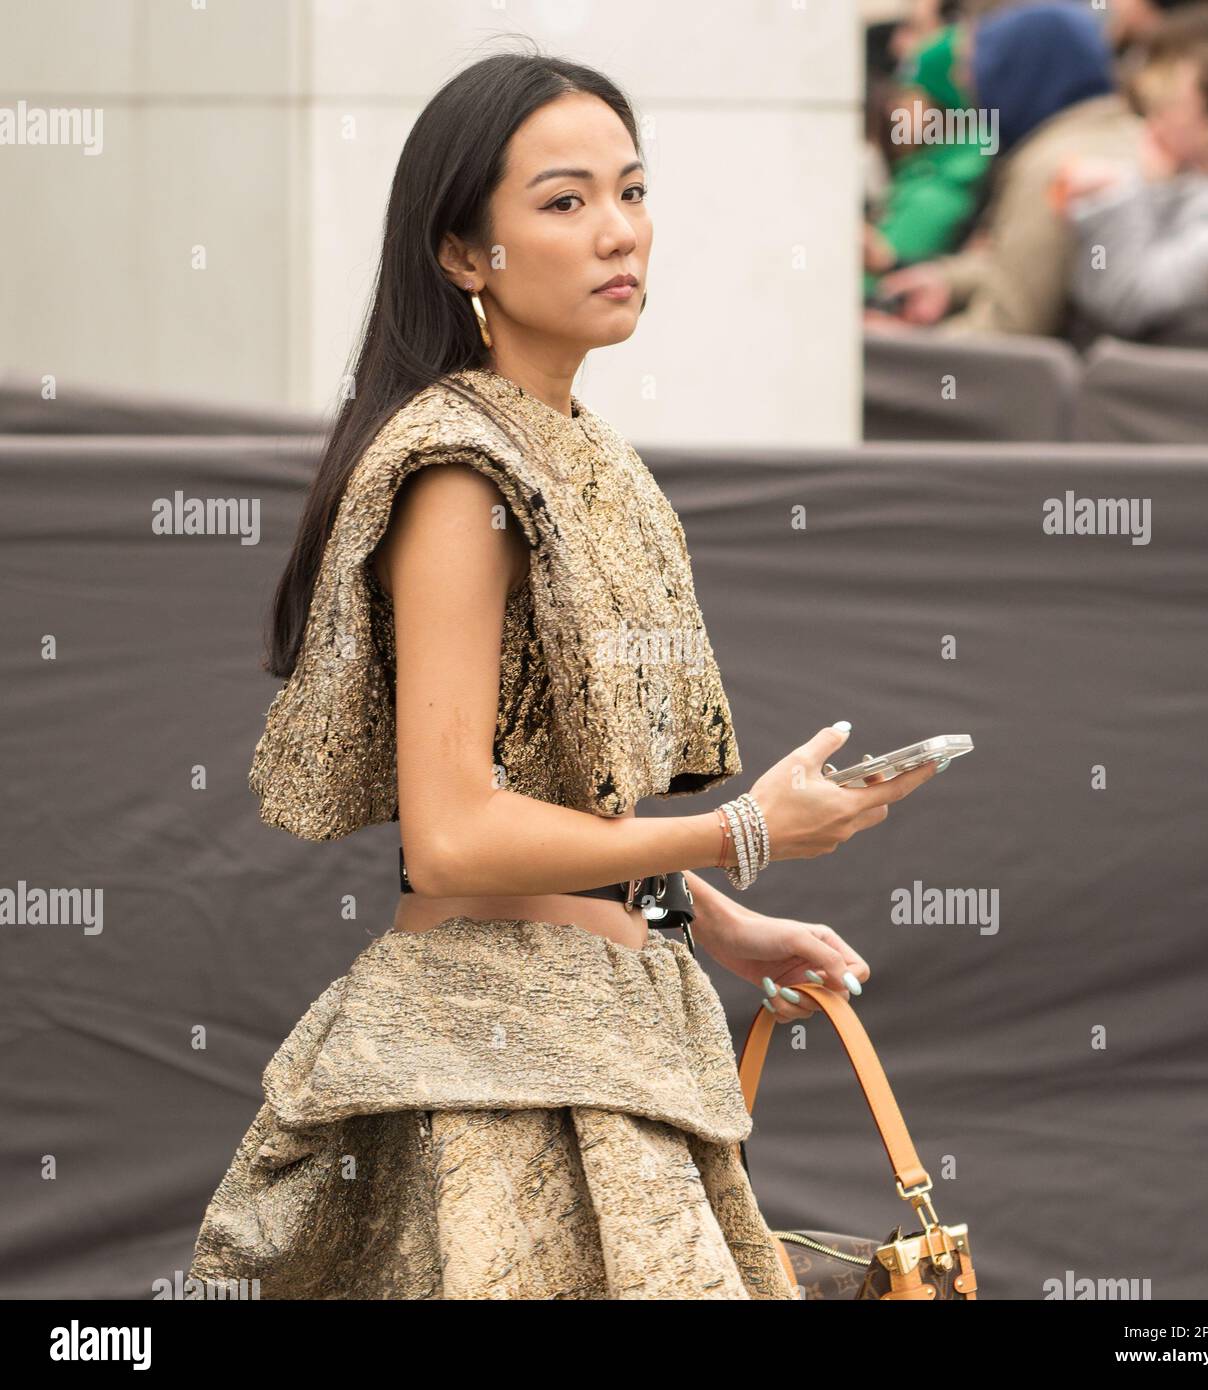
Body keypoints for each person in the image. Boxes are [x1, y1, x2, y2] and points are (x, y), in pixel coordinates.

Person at [185, 50, 944, 1300]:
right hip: (498, 1077)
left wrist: (717, 918)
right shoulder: (458, 471)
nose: (618, 232)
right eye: (563, 201)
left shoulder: (585, 455)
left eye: (632, 191)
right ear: (461, 254)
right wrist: (740, 831)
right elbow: (452, 836)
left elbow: (559, 803)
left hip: (613, 1038)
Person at [875, 1, 1145, 336]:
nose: (967, 84)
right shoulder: (1127, 137)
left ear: (1018, 72)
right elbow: (1038, 266)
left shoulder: (1050, 164)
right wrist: (950, 282)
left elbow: (1009, 328)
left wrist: (902, 342)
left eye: (979, 68)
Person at [1060, 22, 1208, 339]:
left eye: (1179, 105)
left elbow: (1126, 303)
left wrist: (1123, 195)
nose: (1160, 116)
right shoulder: (1199, 186)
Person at [862, 22, 995, 301]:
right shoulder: (937, 168)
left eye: (910, 98)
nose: (895, 110)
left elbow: (877, 287)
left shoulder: (939, 184)